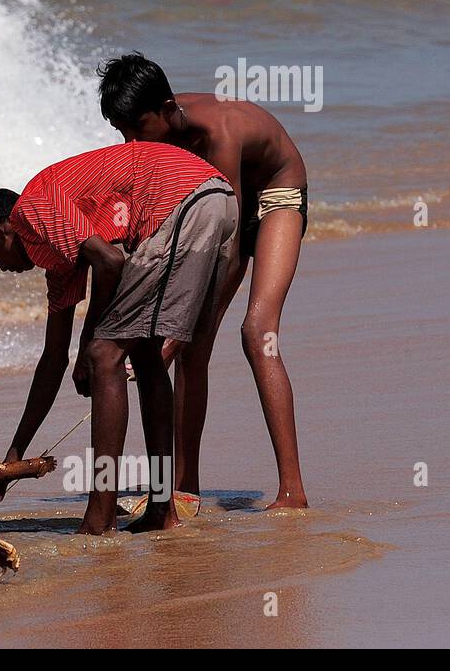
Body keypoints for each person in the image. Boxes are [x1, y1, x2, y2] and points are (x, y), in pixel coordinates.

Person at [0, 141, 236, 534]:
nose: (2, 268)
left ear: (0, 231)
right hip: (216, 200)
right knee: (143, 355)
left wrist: (90, 347)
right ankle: (162, 509)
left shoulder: (31, 209)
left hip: (184, 197)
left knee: (105, 354)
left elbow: (111, 262)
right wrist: (14, 455)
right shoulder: (60, 260)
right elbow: (53, 359)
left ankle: (100, 516)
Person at [98, 53, 309, 509]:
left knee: (257, 333)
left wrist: (186, 323)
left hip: (275, 194)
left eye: (137, 128)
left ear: (167, 108)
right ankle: (184, 487)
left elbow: (227, 244)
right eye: (122, 133)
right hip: (220, 206)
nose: (131, 141)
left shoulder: (219, 133)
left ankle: (292, 490)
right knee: (192, 344)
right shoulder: (156, 133)